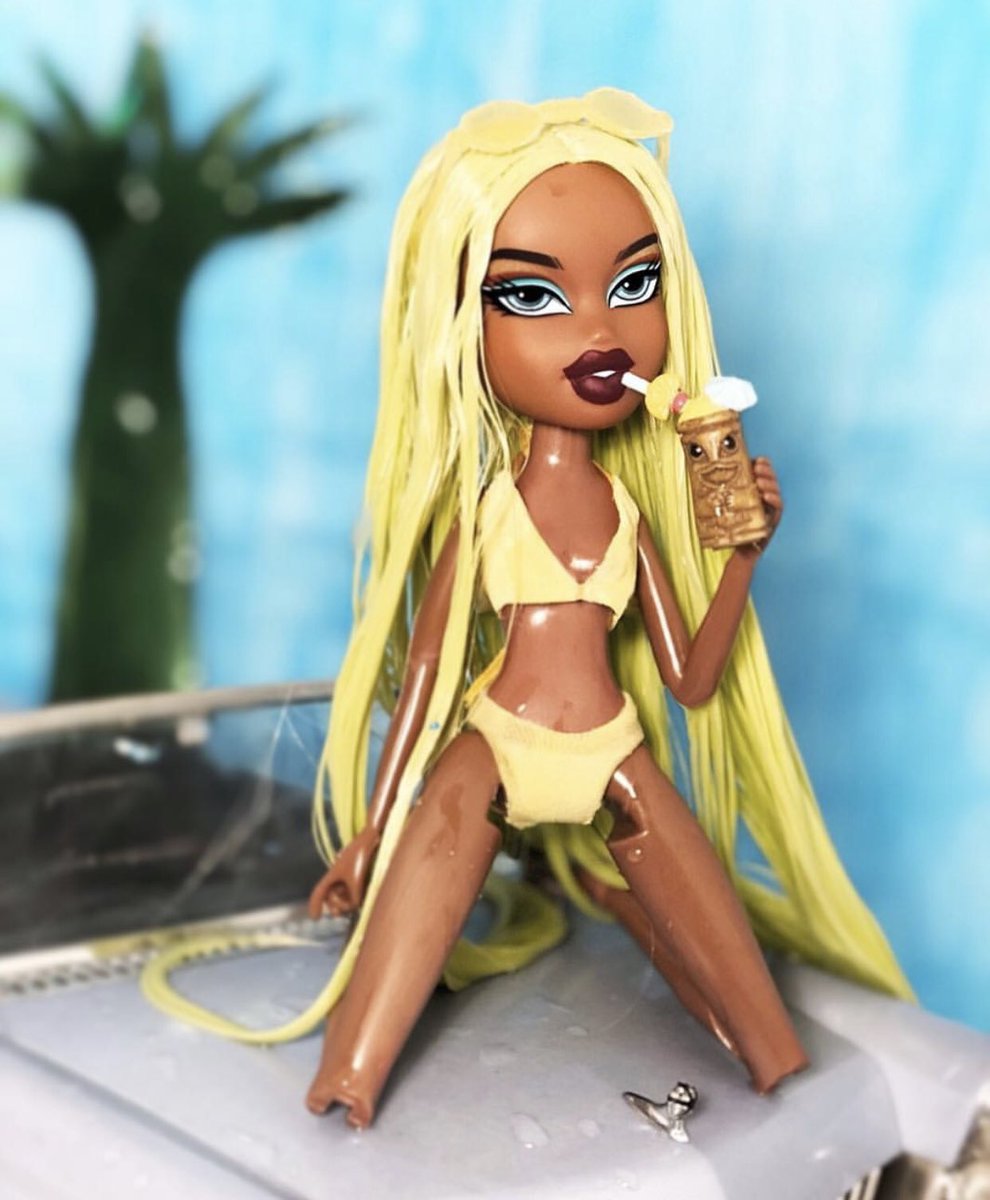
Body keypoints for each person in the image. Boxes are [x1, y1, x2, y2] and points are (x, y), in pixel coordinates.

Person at [304, 89, 912, 1129]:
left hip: (612, 748)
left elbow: (692, 680)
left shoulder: (632, 515)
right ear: (463, 322)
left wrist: (742, 561)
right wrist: (368, 834)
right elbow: (428, 676)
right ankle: (348, 1082)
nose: (599, 330)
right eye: (532, 296)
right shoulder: (487, 513)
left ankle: (781, 1080)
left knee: (752, 1003)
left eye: (634, 285)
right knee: (423, 879)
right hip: (497, 742)